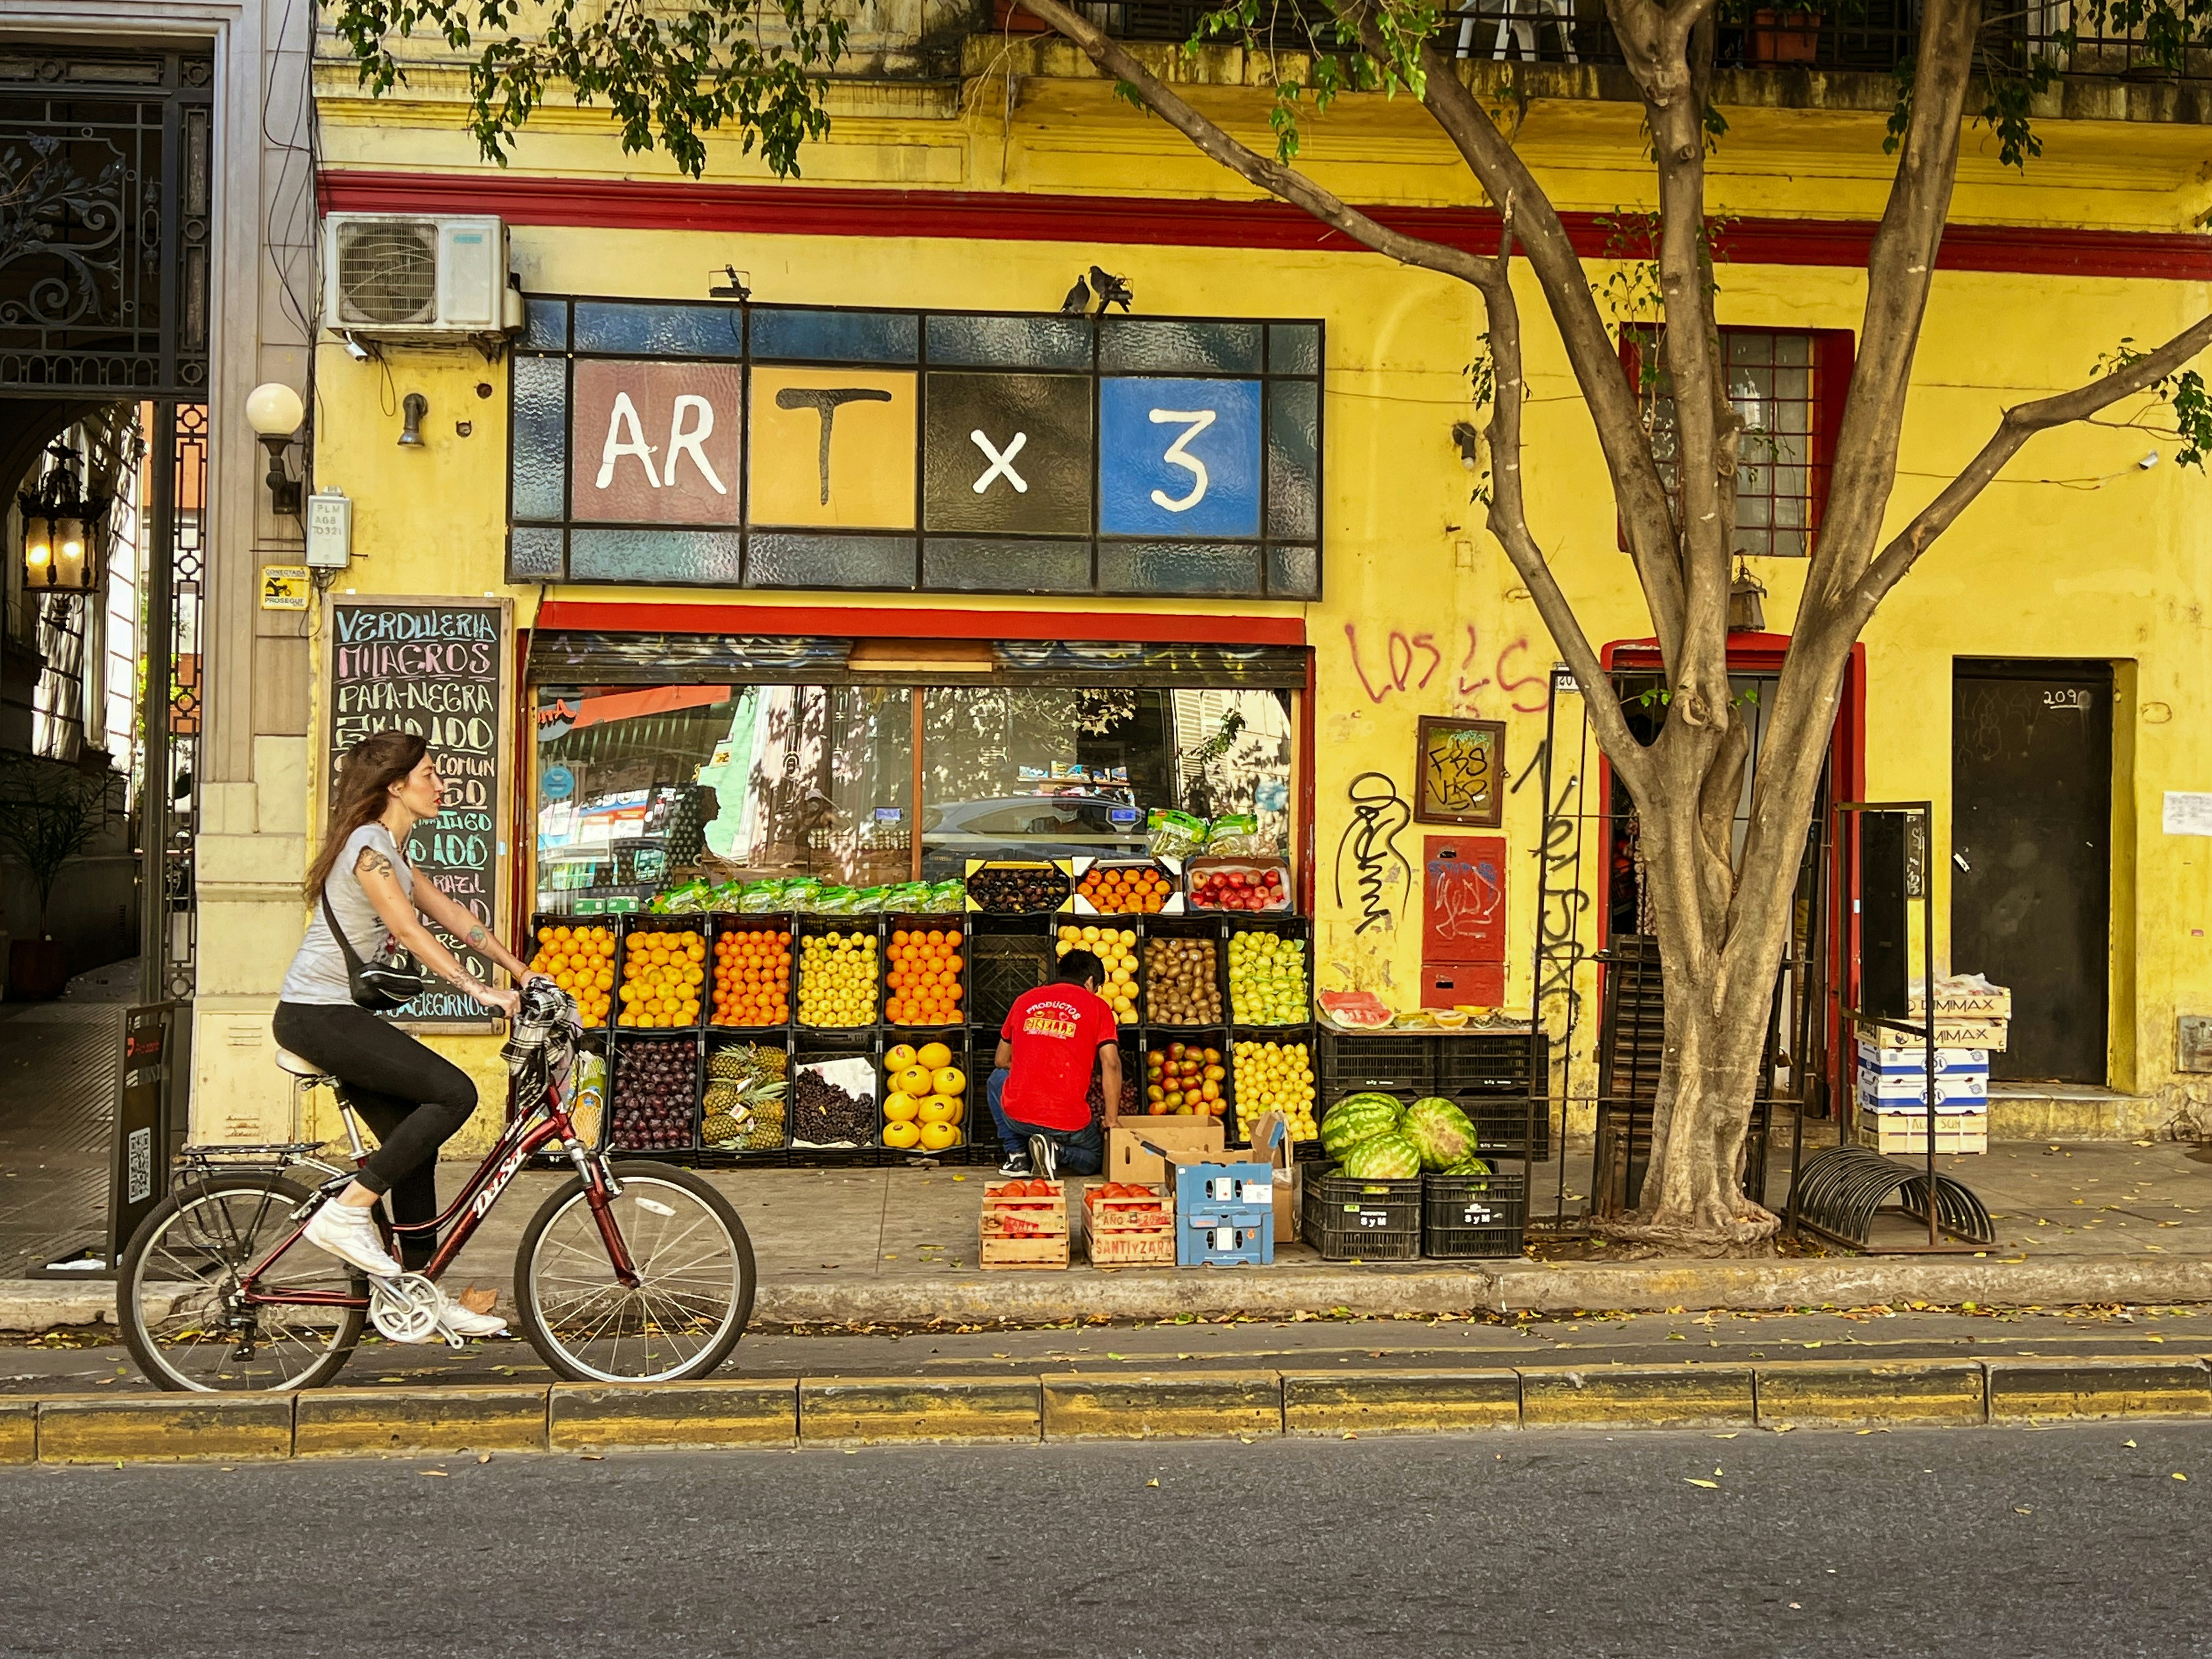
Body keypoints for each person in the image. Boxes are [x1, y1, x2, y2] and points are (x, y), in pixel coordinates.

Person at [271, 730, 535, 1339]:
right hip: (317, 1015)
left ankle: (420, 1291)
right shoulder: (369, 846)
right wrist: (481, 991)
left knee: (414, 1143)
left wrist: (520, 970)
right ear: (395, 785)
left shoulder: (386, 846)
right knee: (454, 1094)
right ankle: (348, 1212)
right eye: (430, 775)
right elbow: (412, 931)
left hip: (339, 1016)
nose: (441, 785)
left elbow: (452, 915)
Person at [987, 948, 1120, 1179]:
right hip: (1068, 1122)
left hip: (1018, 1119)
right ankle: (1056, 1152)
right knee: (1095, 1158)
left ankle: (1017, 1155)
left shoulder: (1024, 1001)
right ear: (1090, 981)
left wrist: (1031, 1066)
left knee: (997, 1079)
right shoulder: (1098, 1008)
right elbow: (1111, 1063)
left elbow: (1001, 1060)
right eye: (1097, 987)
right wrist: (1111, 1120)